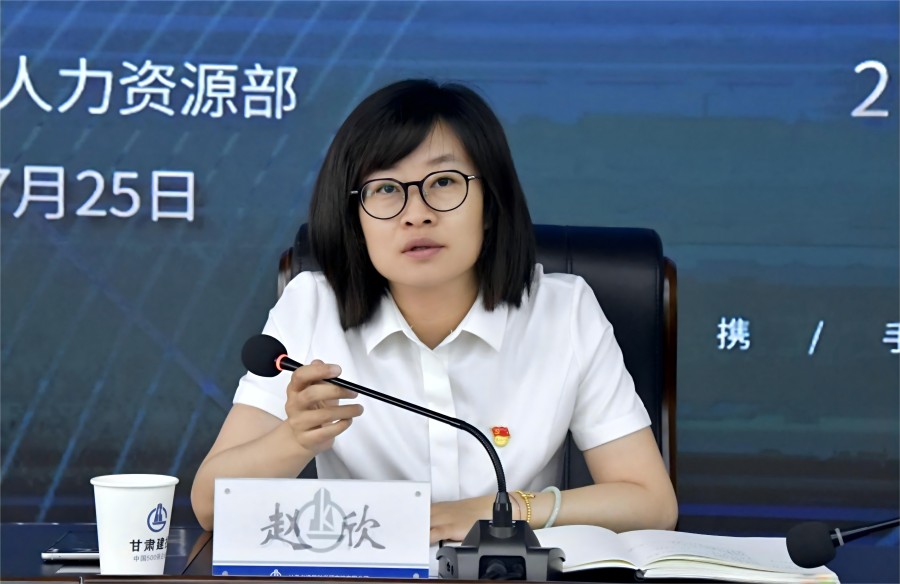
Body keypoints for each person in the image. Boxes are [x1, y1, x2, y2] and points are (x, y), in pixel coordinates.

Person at [190, 79, 678, 541]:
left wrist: (499, 510)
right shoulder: (312, 307)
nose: (417, 213)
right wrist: (294, 439)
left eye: (444, 181)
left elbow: (650, 502)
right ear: (355, 219)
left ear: (490, 205)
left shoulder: (563, 311)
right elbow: (210, 506)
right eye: (386, 189)